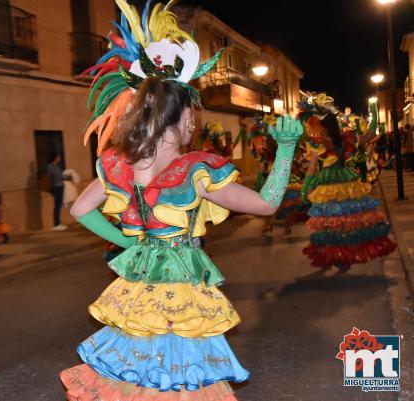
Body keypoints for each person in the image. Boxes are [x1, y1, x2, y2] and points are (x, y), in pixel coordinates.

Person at [59, 2, 303, 399]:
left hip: (137, 288)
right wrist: (287, 149)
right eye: (194, 115)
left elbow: (79, 209)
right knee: (180, 378)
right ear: (183, 115)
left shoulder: (118, 164)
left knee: (135, 375)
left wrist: (128, 243)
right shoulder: (195, 170)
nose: (196, 123)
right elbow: (267, 204)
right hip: (181, 290)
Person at [299, 94, 396, 272]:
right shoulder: (346, 139)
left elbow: (311, 169)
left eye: (313, 125)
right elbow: (370, 134)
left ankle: (337, 255)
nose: (311, 129)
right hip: (346, 183)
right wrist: (374, 115)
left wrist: (305, 188)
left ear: (320, 125)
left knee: (331, 224)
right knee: (345, 223)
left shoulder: (319, 143)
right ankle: (344, 255)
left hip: (328, 187)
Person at [46, 153, 70, 231]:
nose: (59, 159)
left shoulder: (54, 166)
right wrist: (68, 177)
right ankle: (56, 224)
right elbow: (59, 176)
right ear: (55, 158)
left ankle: (58, 223)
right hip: (57, 187)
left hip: (58, 187)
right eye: (58, 157)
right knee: (57, 206)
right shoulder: (52, 166)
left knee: (58, 206)